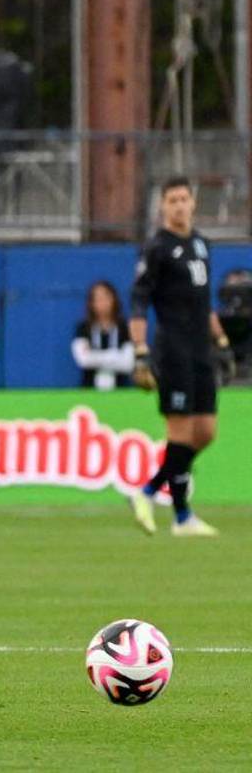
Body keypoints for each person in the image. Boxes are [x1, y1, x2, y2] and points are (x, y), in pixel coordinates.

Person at [127, 176, 234, 537]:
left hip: (200, 349)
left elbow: (203, 303)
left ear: (193, 203)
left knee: (205, 432)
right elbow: (139, 300)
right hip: (172, 351)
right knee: (180, 431)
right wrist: (141, 352)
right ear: (162, 207)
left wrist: (220, 340)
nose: (178, 206)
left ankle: (147, 490)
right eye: (171, 200)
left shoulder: (202, 244)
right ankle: (182, 516)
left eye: (183, 199)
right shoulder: (157, 247)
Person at [71, 281, 134, 390]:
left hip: (121, 391)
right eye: (97, 298)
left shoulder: (125, 328)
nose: (102, 302)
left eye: (106, 297)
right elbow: (83, 360)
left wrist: (94, 356)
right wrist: (116, 356)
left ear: (114, 299)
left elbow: (128, 363)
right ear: (91, 303)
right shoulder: (83, 328)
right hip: (89, 390)